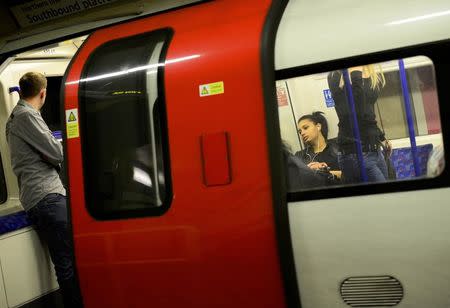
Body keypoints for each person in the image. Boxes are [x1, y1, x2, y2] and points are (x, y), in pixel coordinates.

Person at [5, 72, 83, 307]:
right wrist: (50, 154)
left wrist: (47, 153)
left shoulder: (15, 117)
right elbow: (57, 153)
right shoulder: (27, 116)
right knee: (68, 262)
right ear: (43, 92)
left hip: (36, 196)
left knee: (65, 261)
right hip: (47, 195)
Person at [327, 65, 391, 184]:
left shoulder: (370, 70)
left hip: (374, 148)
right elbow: (357, 111)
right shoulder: (336, 75)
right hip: (354, 151)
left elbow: (368, 112)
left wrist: (380, 136)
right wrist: (355, 73)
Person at [295, 111, 341, 183]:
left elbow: (353, 173)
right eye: (300, 132)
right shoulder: (300, 156)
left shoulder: (338, 146)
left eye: (305, 128)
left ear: (318, 126)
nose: (302, 133)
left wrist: (325, 173)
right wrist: (308, 171)